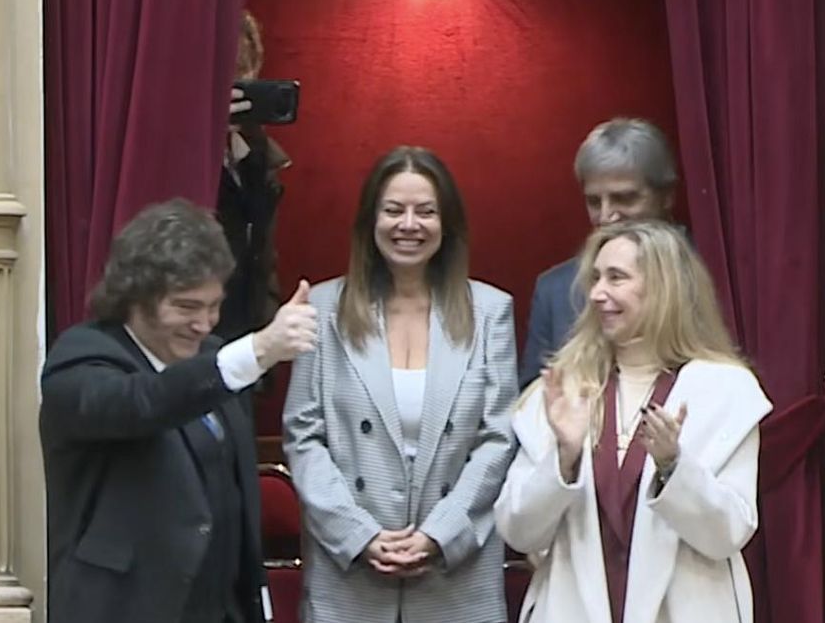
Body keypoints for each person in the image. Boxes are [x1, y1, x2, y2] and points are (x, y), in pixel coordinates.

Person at [40, 198, 318, 623]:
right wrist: (259, 349)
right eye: (186, 307)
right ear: (135, 295)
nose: (204, 323)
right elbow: (144, 403)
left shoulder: (213, 356)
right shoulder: (82, 358)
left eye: (213, 306)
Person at [283, 146, 517, 623]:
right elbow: (303, 438)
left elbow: (499, 438)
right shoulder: (323, 310)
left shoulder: (491, 312)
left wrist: (439, 534)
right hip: (351, 572)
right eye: (393, 210)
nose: (408, 224)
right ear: (371, 221)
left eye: (425, 211)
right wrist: (359, 535)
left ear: (445, 223)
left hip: (455, 574)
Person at [495, 220, 771, 623]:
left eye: (616, 278)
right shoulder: (563, 389)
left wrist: (674, 468)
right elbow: (518, 531)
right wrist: (564, 459)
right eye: (595, 278)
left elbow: (728, 534)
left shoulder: (725, 391)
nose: (596, 293)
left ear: (662, 289)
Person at [520, 117, 678, 388]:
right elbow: (532, 401)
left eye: (624, 198)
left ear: (666, 196)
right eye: (594, 202)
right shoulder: (555, 289)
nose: (606, 216)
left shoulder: (710, 271)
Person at [218, 10, 292, 342]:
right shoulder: (172, 158)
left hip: (245, 350)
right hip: (190, 350)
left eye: (242, 72)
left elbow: (263, 259)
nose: (234, 85)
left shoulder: (255, 158)